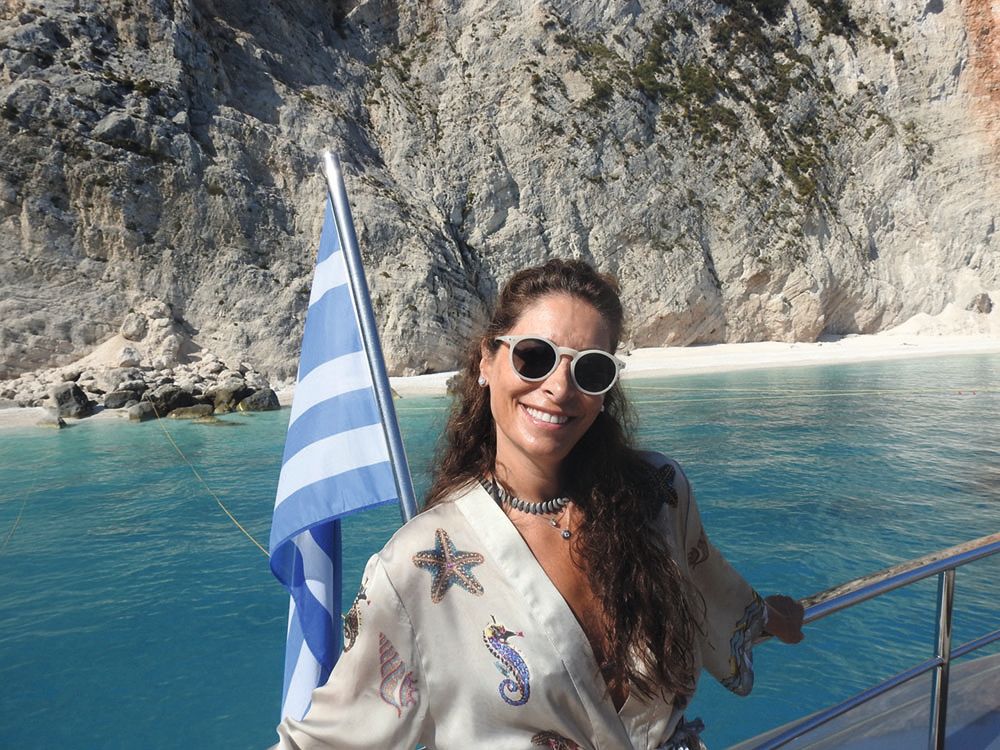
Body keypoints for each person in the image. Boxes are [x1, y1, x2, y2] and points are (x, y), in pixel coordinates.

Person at [274, 258, 804, 749]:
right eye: (535, 357)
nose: (558, 388)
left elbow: (704, 580)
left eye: (589, 371)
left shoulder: (656, 493)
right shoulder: (415, 566)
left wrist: (764, 616)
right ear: (488, 360)